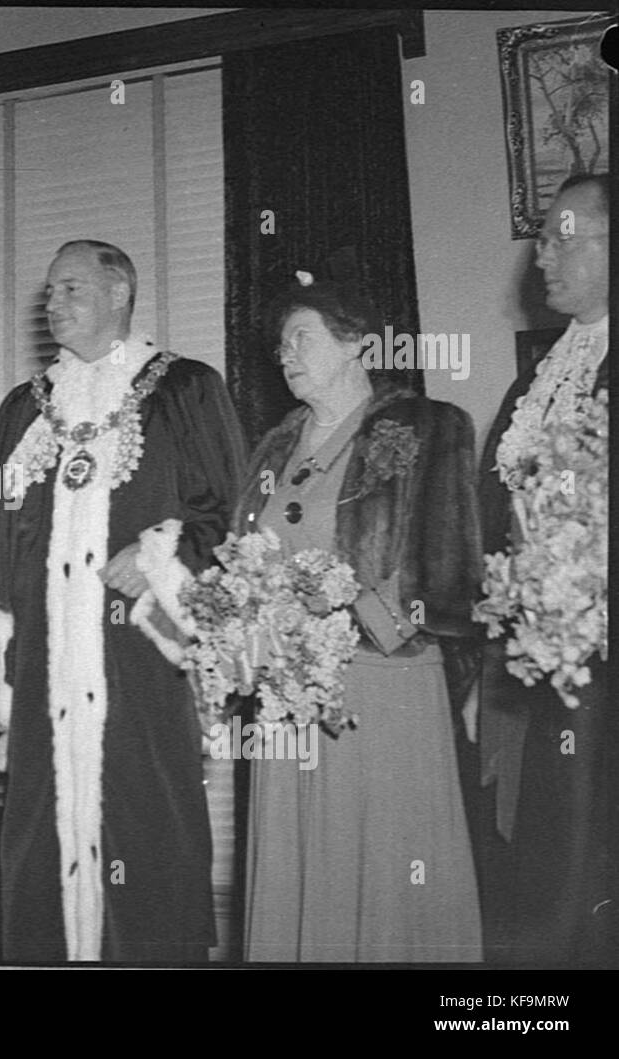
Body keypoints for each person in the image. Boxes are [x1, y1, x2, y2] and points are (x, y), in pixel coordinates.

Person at [0, 239, 247, 962]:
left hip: (142, 661)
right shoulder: (25, 407)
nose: (54, 304)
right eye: (49, 292)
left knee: (149, 821)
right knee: (36, 834)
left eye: (72, 288)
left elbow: (230, 512)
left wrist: (160, 558)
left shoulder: (186, 388)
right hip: (42, 667)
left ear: (120, 295)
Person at [217, 272, 484, 961]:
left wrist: (343, 622)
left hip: (383, 689)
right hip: (287, 699)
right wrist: (247, 626)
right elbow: (245, 562)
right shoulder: (273, 447)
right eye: (280, 344)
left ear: (357, 343)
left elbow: (450, 577)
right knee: (298, 867)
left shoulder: (429, 426)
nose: (285, 353)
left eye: (300, 336)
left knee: (387, 867)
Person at [472, 173, 613, 966]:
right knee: (549, 859)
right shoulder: (537, 380)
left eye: (564, 236)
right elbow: (493, 510)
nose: (543, 256)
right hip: (547, 665)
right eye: (542, 239)